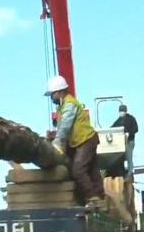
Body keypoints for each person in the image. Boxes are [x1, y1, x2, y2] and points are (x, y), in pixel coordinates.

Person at [44, 75, 105, 210]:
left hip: (86, 140)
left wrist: (57, 143)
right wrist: (53, 135)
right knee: (92, 171)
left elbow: (66, 126)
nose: (51, 98)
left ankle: (93, 198)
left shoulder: (69, 105)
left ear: (60, 92)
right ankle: (100, 198)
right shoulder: (62, 106)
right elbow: (65, 127)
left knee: (78, 170)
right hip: (82, 140)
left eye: (52, 94)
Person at [112, 104, 139, 175]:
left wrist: (129, 133)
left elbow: (136, 129)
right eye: (120, 111)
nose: (121, 112)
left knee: (129, 156)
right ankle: (122, 172)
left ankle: (130, 172)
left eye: (123, 111)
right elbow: (112, 128)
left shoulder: (131, 119)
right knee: (120, 157)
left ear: (125, 111)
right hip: (121, 143)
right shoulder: (118, 121)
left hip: (130, 141)